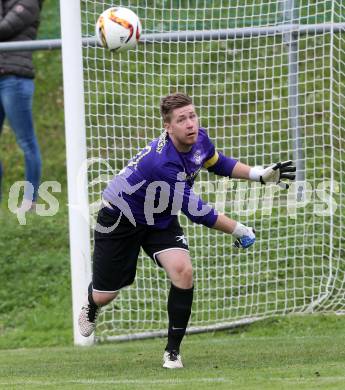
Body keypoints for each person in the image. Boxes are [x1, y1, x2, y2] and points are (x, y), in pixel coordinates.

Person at [78, 92, 296, 369]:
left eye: (192, 116)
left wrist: (259, 174)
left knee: (183, 271)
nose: (191, 124)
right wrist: (239, 229)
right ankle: (91, 303)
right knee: (105, 295)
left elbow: (217, 163)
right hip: (120, 217)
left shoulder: (199, 139)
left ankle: (172, 351)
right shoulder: (162, 163)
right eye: (182, 119)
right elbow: (198, 211)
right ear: (168, 127)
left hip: (160, 217)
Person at [0, 0, 43, 208]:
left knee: (26, 142)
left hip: (15, 79)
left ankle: (30, 200)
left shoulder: (28, 2)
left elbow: (4, 28)